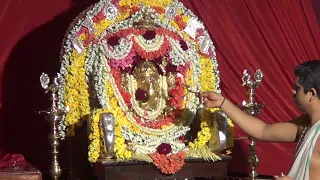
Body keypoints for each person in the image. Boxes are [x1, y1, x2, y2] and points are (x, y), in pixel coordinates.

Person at [201, 60, 320, 180]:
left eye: (297, 88)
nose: (292, 91)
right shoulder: (305, 124)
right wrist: (222, 103)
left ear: (311, 94)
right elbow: (262, 130)